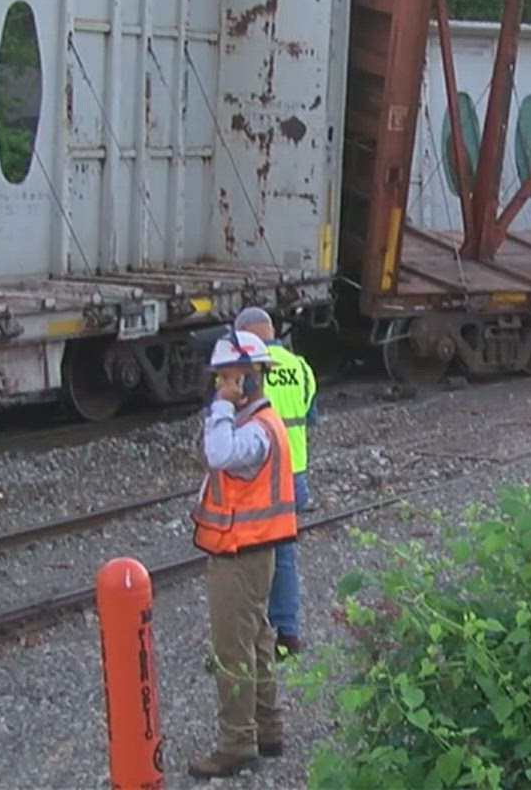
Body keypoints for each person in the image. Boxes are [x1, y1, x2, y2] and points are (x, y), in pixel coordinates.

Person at [189, 329, 298, 779]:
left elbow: (217, 455)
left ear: (245, 380)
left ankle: (236, 743)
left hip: (241, 553)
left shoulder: (253, 431)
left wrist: (220, 408)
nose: (218, 386)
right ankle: (266, 729)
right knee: (256, 641)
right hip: (251, 549)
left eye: (225, 379)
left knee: (232, 648)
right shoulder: (259, 422)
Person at [231, 306, 317, 658]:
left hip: (259, 479)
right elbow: (309, 417)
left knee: (245, 561)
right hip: (294, 477)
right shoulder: (300, 367)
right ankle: (288, 634)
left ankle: (250, 639)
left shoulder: (244, 370)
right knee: (283, 558)